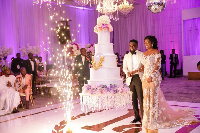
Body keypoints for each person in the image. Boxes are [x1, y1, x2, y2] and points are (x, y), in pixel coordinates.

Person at [141, 36, 198, 133]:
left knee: (153, 99)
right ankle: (147, 119)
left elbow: (157, 66)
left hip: (154, 78)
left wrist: (151, 75)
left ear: (152, 43)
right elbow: (143, 66)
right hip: (145, 78)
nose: (146, 44)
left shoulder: (156, 52)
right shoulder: (143, 54)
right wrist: (141, 75)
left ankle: (154, 119)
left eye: (148, 43)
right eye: (145, 43)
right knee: (146, 98)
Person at [123, 39, 144, 124]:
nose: (132, 47)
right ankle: (137, 117)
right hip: (130, 79)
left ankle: (144, 118)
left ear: (137, 46)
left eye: (134, 45)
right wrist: (127, 72)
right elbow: (124, 67)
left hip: (138, 77)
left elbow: (144, 66)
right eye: (130, 46)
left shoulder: (141, 54)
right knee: (133, 99)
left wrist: (137, 71)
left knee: (141, 98)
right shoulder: (126, 56)